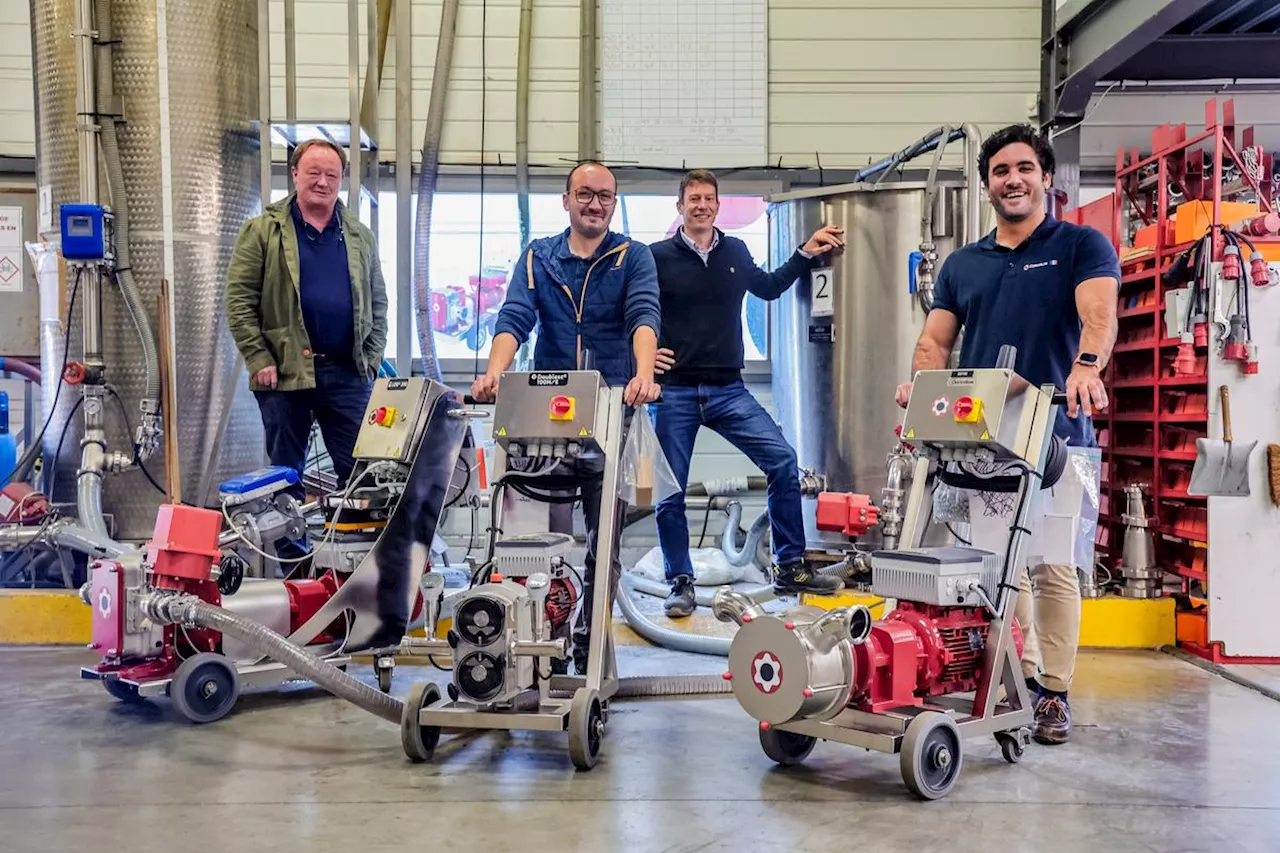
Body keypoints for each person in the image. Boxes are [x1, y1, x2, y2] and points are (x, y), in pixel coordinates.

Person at [894, 124, 1120, 745]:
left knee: (1051, 568)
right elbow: (934, 342)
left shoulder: (1080, 245)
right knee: (998, 567)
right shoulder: (965, 263)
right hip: (983, 437)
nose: (1012, 179)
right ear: (987, 183)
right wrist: (923, 392)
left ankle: (1053, 691)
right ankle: (1012, 677)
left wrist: (1087, 365)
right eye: (1000, 170)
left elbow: (1098, 315)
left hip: (1058, 433)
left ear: (1046, 178)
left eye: (1024, 168)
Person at [470, 160, 661, 674]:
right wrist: (493, 373)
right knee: (534, 541)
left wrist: (643, 375)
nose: (594, 203)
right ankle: (541, 639)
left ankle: (591, 642)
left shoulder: (632, 256)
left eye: (604, 196)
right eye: (585, 193)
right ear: (566, 199)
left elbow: (644, 315)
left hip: (613, 416)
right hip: (544, 420)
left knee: (606, 542)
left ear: (614, 204)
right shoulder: (538, 258)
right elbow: (514, 317)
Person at [649, 169, 847, 617]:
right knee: (669, 489)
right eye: (693, 198)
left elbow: (770, 287)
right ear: (680, 207)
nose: (702, 205)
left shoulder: (735, 251)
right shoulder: (656, 256)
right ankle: (680, 581)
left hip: (726, 388)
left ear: (717, 206)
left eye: (709, 198)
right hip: (674, 392)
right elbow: (632, 309)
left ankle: (789, 565)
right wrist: (640, 356)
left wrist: (803, 253)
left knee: (782, 460)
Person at [225, 139, 388, 494]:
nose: (323, 182)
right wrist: (258, 357)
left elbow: (378, 303)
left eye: (332, 174)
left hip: (347, 373)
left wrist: (371, 359)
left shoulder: (360, 236)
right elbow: (239, 300)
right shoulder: (261, 232)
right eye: (313, 173)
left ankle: (351, 548)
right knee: (285, 476)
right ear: (295, 174)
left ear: (342, 179)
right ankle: (291, 550)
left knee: (363, 475)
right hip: (284, 374)